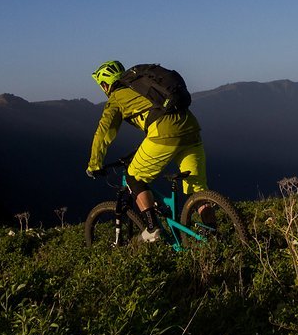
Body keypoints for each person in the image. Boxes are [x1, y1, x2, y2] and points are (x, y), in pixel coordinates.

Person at [86, 60, 208, 242]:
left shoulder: (116, 99)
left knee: (133, 177)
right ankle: (212, 232)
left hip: (164, 134)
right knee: (197, 190)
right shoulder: (140, 84)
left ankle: (152, 228)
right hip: (190, 128)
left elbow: (103, 135)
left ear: (105, 85)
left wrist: (94, 165)